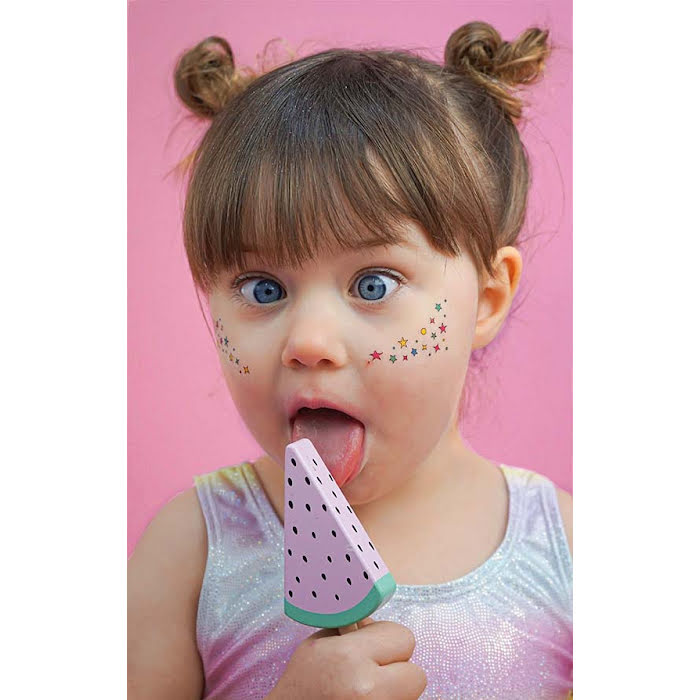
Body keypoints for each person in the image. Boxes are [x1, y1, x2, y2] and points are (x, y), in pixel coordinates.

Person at [128, 20, 573, 700]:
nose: (307, 341)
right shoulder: (191, 547)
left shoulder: (564, 548)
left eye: (373, 284)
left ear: (486, 299)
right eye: (264, 289)